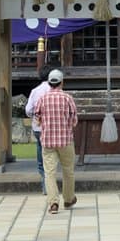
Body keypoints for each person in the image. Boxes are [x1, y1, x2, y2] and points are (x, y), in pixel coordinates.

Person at [32, 68, 78, 214]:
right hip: (65, 140)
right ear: (61, 82)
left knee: (49, 172)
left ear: (50, 82)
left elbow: (37, 119)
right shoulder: (67, 98)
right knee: (68, 170)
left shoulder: (42, 98)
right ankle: (69, 199)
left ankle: (53, 203)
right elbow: (74, 121)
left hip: (48, 141)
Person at [24, 64, 55, 193]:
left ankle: (45, 183)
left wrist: (36, 115)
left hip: (39, 127)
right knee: (52, 155)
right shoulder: (55, 91)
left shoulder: (35, 91)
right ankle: (51, 183)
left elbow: (28, 110)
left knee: (41, 152)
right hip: (53, 127)